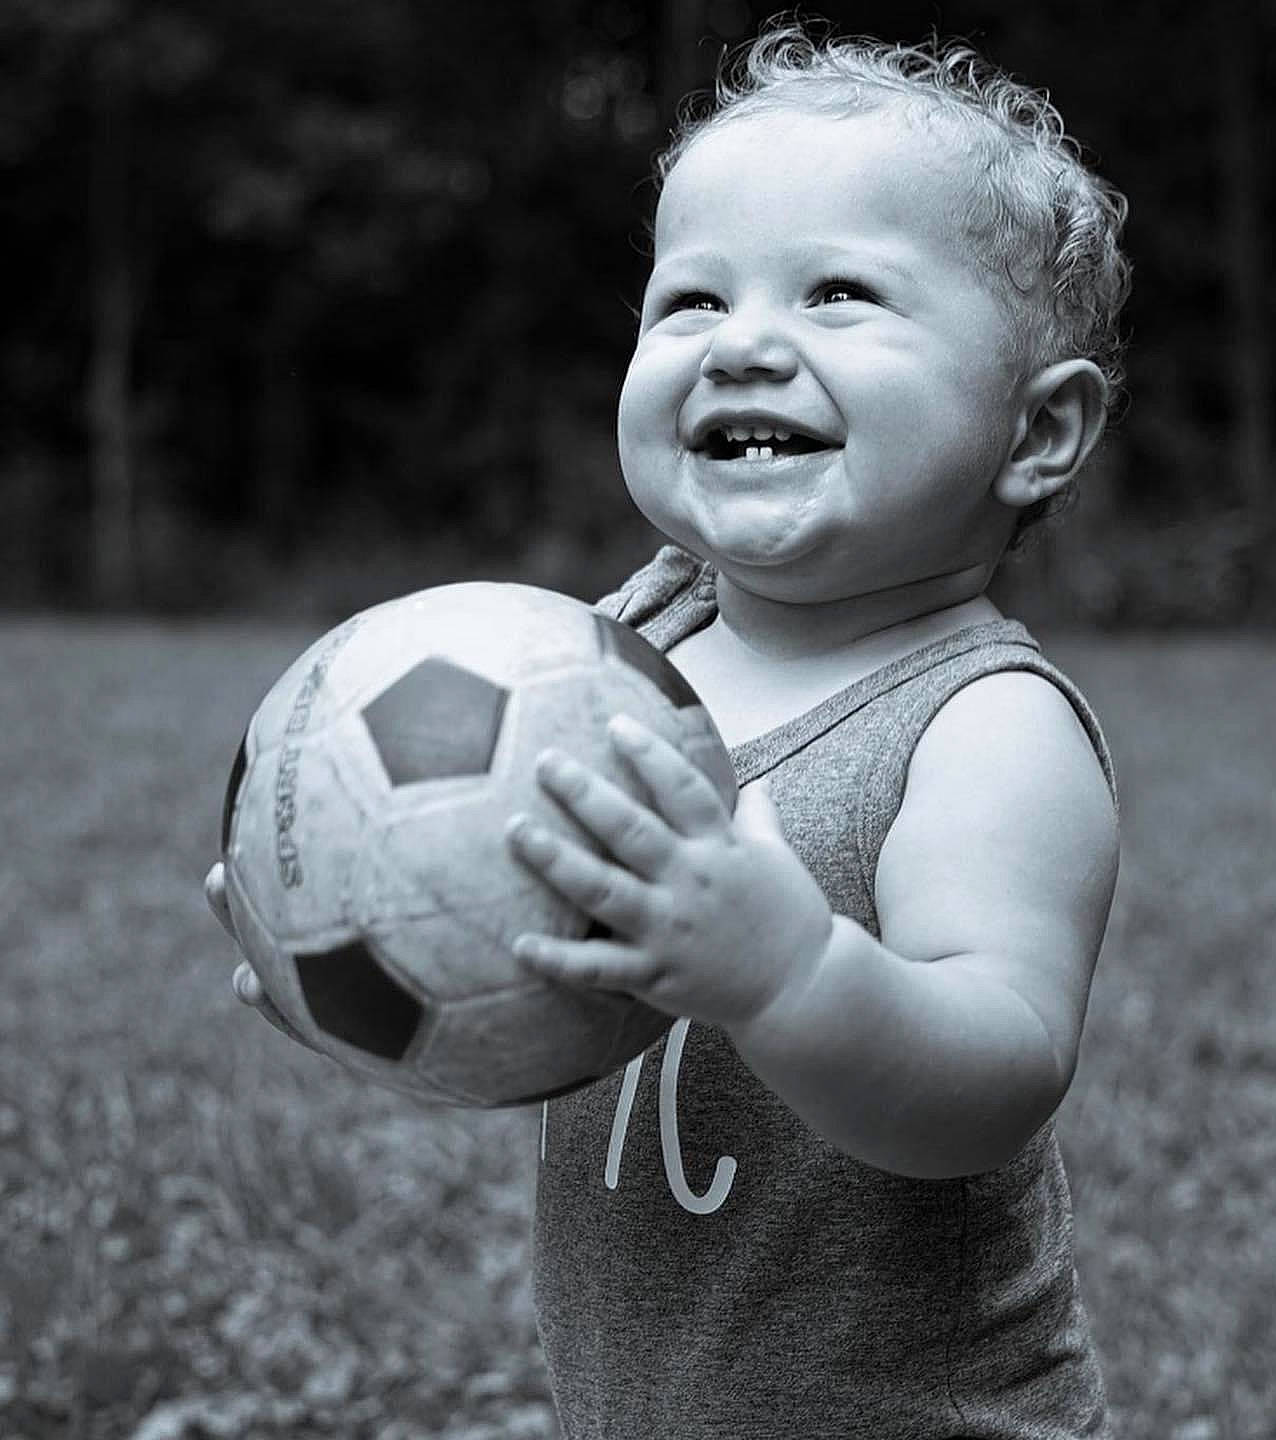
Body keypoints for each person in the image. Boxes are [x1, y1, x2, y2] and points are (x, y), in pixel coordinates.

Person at [207, 22, 1130, 1438]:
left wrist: (787, 969)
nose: (746, 342)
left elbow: (991, 1085)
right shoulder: (617, 673)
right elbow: (563, 1007)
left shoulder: (987, 728)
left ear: (1036, 434)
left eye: (839, 294)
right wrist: (377, 957)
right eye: (691, 300)